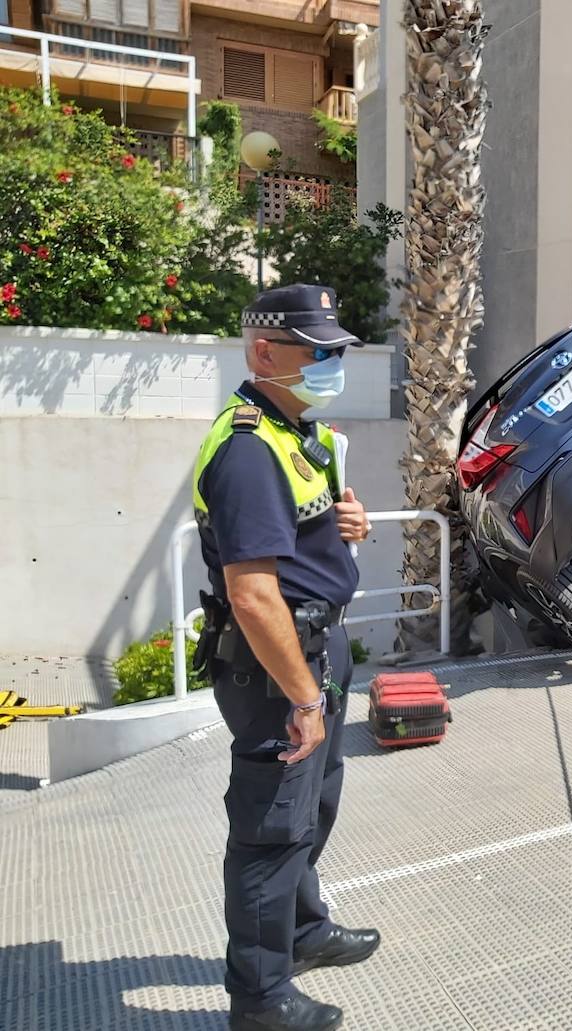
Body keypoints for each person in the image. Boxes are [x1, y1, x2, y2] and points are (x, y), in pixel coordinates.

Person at [192, 284, 381, 1031]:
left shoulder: (295, 433)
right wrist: (302, 697)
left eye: (338, 350)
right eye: (321, 351)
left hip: (315, 649)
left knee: (313, 805)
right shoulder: (245, 450)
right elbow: (253, 594)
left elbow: (308, 536)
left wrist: (351, 524)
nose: (334, 361)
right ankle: (262, 997)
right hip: (278, 668)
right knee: (271, 833)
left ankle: (304, 931)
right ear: (266, 351)